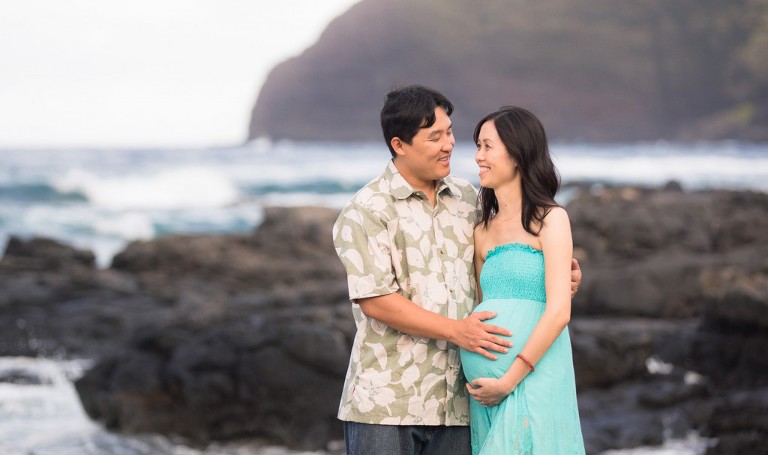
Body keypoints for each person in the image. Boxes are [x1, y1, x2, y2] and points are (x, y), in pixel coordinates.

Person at [332, 85, 582, 455]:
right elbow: (377, 301)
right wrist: (458, 332)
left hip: (459, 405)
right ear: (400, 145)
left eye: (449, 132)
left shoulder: (468, 200)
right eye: (435, 136)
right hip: (388, 402)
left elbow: (497, 276)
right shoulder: (367, 210)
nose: (450, 144)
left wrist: (555, 280)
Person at [460, 106, 585, 454]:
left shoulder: (551, 220)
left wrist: (508, 380)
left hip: (532, 377)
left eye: (487, 147)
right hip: (487, 393)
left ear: (517, 153)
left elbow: (559, 311)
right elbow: (483, 303)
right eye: (478, 147)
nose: (478, 157)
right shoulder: (481, 232)